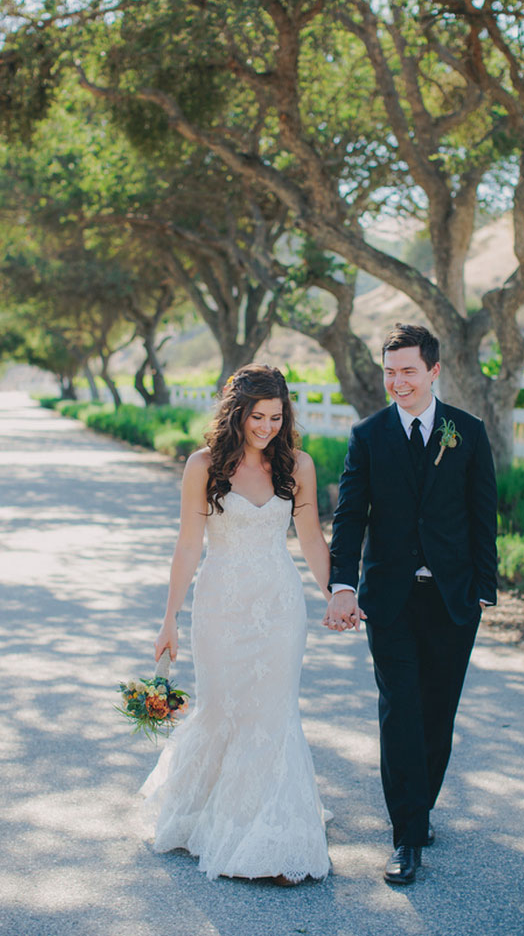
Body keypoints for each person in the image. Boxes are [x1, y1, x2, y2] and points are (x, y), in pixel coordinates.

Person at [142, 364, 331, 884]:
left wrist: (336, 593)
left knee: (272, 713)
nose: (267, 427)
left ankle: (272, 833)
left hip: (279, 605)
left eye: (276, 417)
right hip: (220, 604)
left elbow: (312, 538)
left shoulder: (299, 465)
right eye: (257, 416)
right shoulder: (204, 465)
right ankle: (212, 817)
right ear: (236, 412)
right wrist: (169, 620)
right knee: (223, 708)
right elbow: (187, 544)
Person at [324, 323, 497, 885]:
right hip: (389, 599)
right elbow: (350, 517)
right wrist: (342, 584)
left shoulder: (466, 432)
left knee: (437, 712)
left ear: (434, 371)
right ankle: (406, 835)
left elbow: (482, 515)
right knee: (399, 708)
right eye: (390, 371)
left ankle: (419, 808)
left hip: (453, 599)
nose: (398, 382)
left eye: (408, 371)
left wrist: (481, 590)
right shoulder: (368, 435)